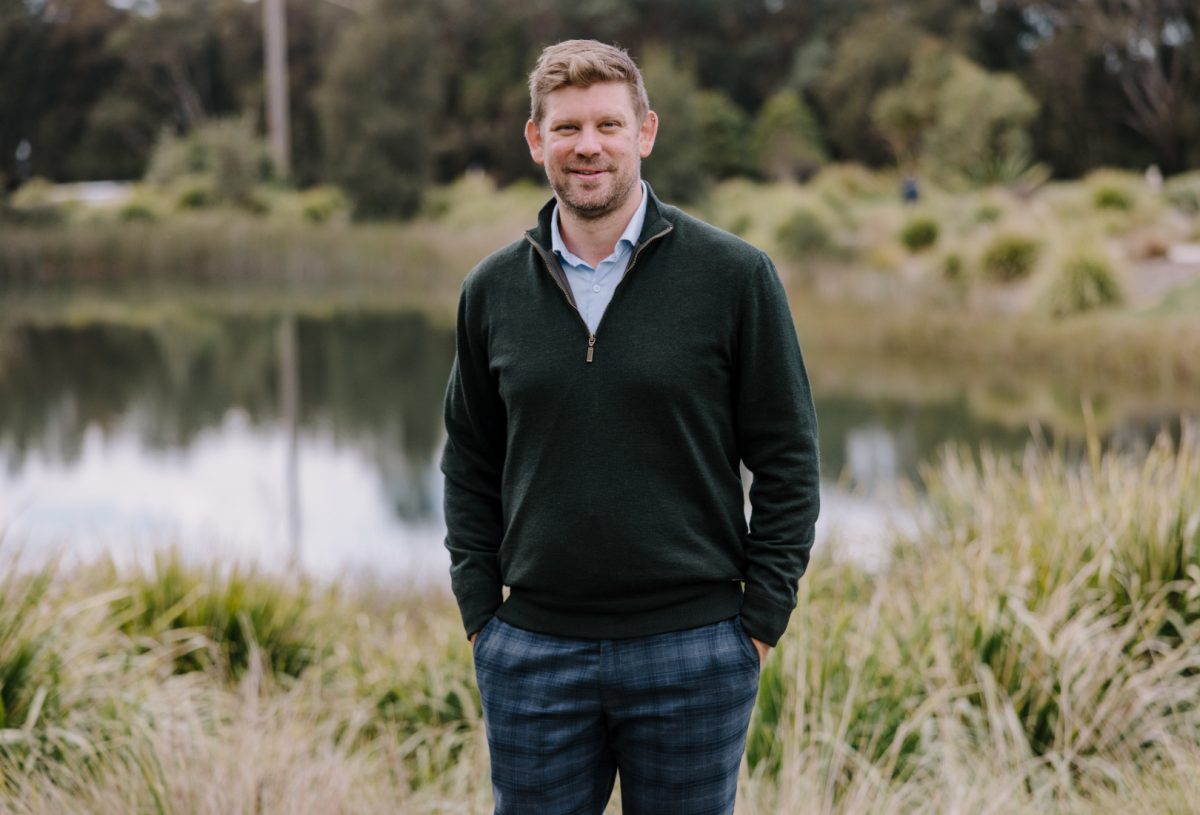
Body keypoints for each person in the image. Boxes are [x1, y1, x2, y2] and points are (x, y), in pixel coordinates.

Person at [441, 39, 820, 815]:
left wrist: (757, 625)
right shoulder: (490, 291)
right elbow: (469, 463)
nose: (589, 146)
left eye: (609, 125)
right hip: (534, 652)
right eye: (568, 126)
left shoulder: (734, 277)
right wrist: (484, 617)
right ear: (535, 138)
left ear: (645, 132)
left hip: (696, 651)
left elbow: (788, 461)